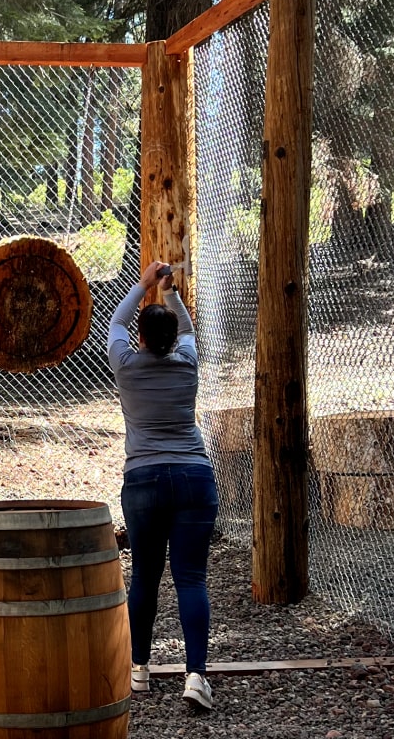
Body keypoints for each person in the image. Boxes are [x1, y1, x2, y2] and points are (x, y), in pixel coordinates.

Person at [107, 261, 218, 710]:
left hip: (143, 480)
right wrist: (170, 292)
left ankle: (139, 671)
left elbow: (115, 320)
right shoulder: (188, 363)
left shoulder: (127, 365)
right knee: (191, 577)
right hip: (193, 476)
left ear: (142, 338)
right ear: (172, 340)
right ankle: (195, 678)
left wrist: (145, 284)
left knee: (146, 577)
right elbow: (187, 328)